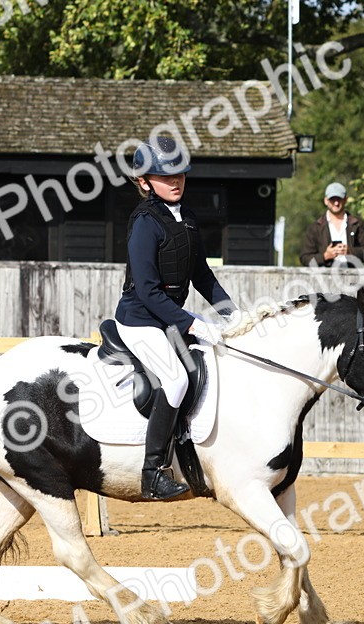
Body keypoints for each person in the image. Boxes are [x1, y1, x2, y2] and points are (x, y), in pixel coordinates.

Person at [115, 135, 245, 500]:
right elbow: (147, 290)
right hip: (140, 320)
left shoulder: (186, 217)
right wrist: (191, 323)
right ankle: (152, 472)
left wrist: (232, 315)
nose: (175, 182)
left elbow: (202, 274)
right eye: (164, 176)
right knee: (174, 381)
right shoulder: (144, 222)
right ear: (144, 181)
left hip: (169, 318)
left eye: (180, 176)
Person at [300, 181, 364, 267]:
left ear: (345, 200)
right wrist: (325, 256)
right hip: (324, 278)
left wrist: (350, 252)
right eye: (332, 199)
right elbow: (305, 258)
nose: (336, 203)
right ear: (326, 201)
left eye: (339, 199)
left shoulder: (357, 224)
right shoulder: (315, 228)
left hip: (353, 277)